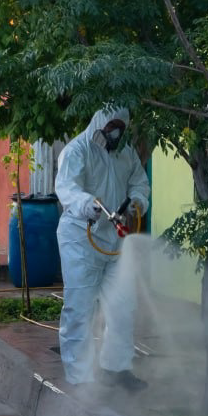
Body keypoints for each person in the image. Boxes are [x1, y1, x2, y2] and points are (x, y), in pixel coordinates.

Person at [54, 106, 151, 390]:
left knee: (123, 306)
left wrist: (136, 201)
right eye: (111, 127)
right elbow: (67, 188)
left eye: (120, 127)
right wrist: (86, 204)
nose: (115, 133)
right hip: (80, 240)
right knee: (80, 309)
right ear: (99, 123)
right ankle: (80, 378)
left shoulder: (126, 152)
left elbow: (139, 182)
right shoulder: (77, 151)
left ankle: (117, 368)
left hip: (115, 239)